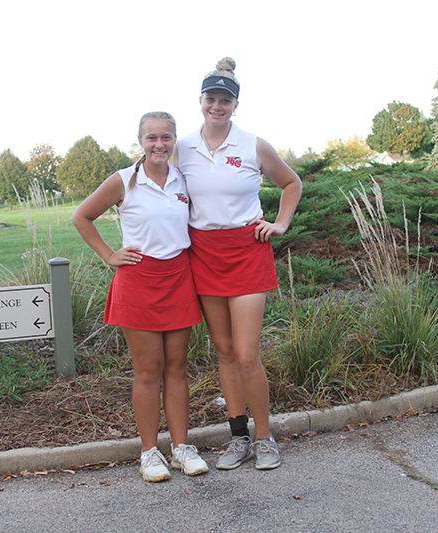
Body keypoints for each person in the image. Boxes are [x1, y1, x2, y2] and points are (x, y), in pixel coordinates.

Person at [173, 58, 303, 471]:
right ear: (200, 101)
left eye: (225, 99)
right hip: (204, 253)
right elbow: (158, 191)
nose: (217, 105)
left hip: (246, 251)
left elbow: (291, 182)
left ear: (235, 104)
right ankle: (239, 437)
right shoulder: (182, 149)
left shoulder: (253, 145)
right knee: (225, 352)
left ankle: (265, 438)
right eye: (211, 98)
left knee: (247, 354)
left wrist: (279, 223)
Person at [72, 111, 208, 483]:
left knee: (177, 368)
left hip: (179, 278)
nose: (159, 144)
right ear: (141, 141)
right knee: (149, 370)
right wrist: (109, 255)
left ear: (174, 139)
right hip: (138, 282)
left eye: (166, 137)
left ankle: (181, 447)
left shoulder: (185, 178)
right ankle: (150, 452)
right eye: (152, 138)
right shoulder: (123, 180)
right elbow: (82, 216)